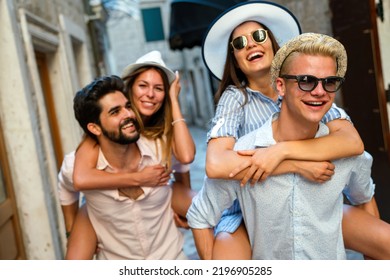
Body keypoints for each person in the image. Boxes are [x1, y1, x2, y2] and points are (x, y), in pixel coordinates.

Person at [193, 1, 390, 259]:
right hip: (246, 202)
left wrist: (284, 151)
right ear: (235, 60)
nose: (250, 44)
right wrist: (294, 164)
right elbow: (217, 163)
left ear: (274, 44)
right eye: (239, 43)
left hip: (308, 197)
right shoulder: (235, 97)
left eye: (258, 35)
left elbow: (352, 143)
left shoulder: (309, 90)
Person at [63, 51, 196, 259]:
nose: (150, 94)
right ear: (130, 88)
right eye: (143, 85)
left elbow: (183, 162)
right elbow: (77, 178)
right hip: (101, 207)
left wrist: (178, 205)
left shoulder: (161, 135)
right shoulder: (99, 136)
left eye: (159, 88)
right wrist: (70, 229)